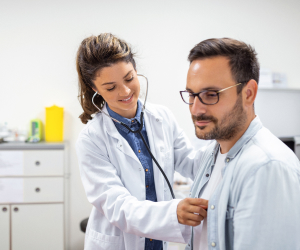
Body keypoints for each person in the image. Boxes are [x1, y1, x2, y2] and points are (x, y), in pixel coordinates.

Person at [75, 33, 208, 250]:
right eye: (110, 87)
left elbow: (192, 163)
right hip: (119, 243)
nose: (125, 91)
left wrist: (223, 138)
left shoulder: (162, 117)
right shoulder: (91, 139)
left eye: (129, 78)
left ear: (136, 71)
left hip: (158, 241)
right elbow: (118, 207)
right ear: (95, 89)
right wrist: (173, 213)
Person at [180, 38, 300, 250]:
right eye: (192, 95)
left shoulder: (266, 167)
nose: (196, 109)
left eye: (211, 95)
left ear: (248, 93)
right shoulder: (212, 152)